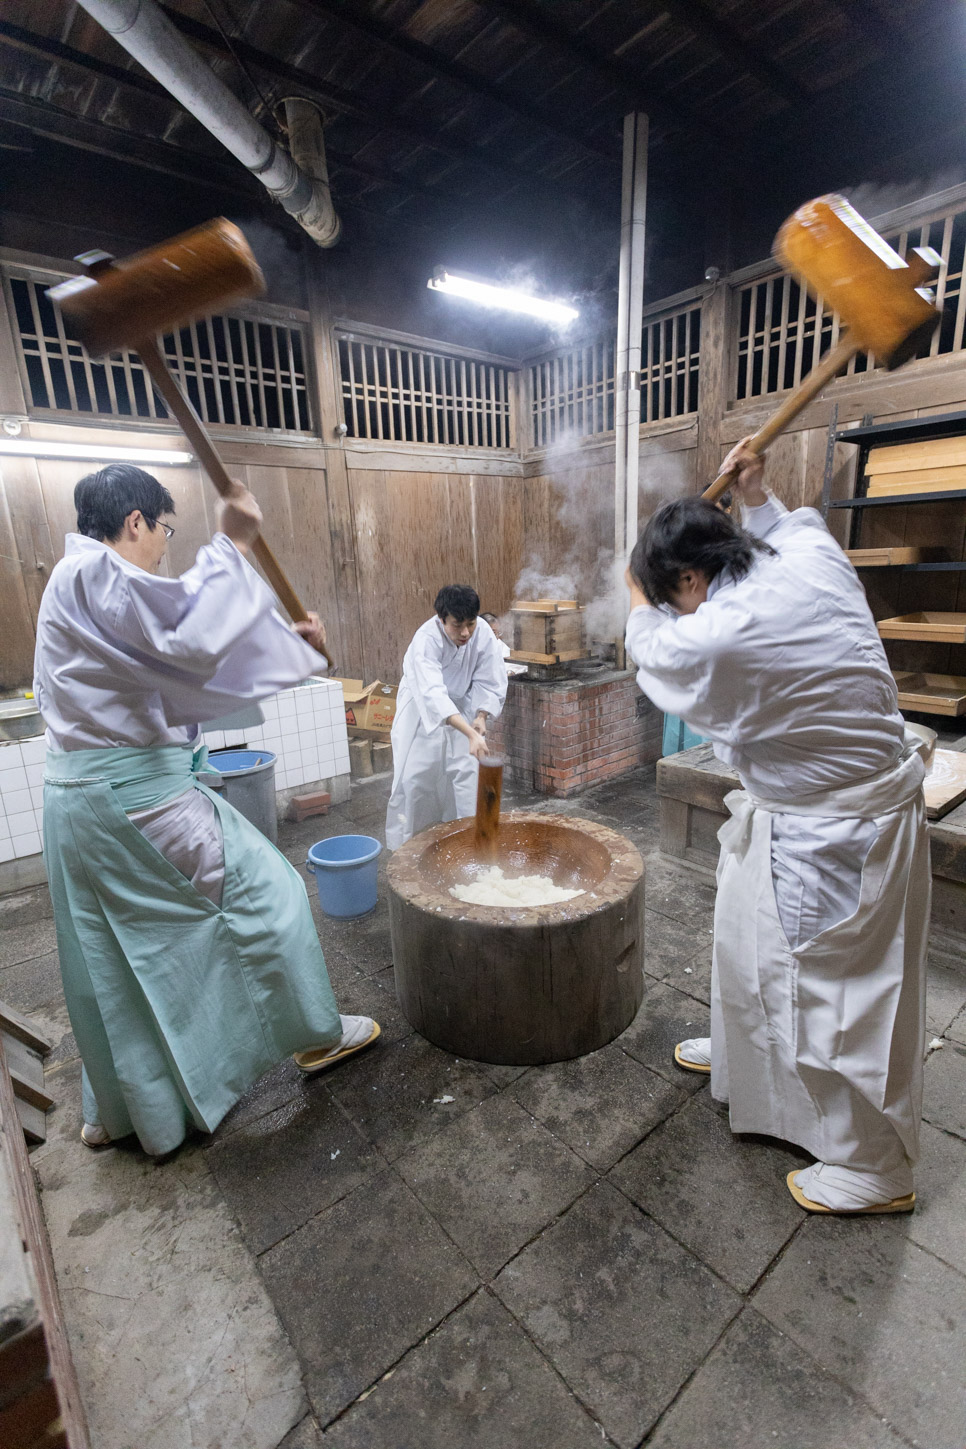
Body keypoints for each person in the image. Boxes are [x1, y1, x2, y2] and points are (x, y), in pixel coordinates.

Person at [34, 464, 380, 1157]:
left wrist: (291, 651)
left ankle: (121, 1109)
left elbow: (175, 685)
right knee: (271, 892)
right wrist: (230, 545)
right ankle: (316, 1035)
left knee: (112, 959)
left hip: (79, 806)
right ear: (136, 521)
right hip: (136, 803)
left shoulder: (71, 591)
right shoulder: (91, 576)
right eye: (164, 530)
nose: (165, 546)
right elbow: (185, 637)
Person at [624, 439, 930, 1215]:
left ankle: (875, 1167)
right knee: (746, 939)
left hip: (839, 832)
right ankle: (741, 1062)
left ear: (690, 578)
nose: (675, 609)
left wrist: (635, 593)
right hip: (799, 811)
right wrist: (755, 486)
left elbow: (656, 650)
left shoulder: (729, 624)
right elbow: (782, 520)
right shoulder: (805, 552)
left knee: (833, 992)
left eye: (674, 594)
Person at [385, 585, 507, 850]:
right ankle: (411, 848)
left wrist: (481, 717)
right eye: (457, 625)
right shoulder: (426, 639)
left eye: (471, 624)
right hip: (421, 708)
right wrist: (471, 733)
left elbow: (491, 679)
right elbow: (432, 693)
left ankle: (467, 842)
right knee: (417, 776)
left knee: (467, 772)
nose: (465, 632)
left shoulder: (482, 632)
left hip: (462, 704)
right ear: (442, 620)